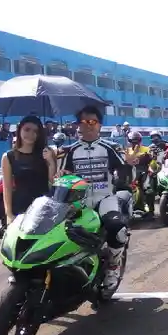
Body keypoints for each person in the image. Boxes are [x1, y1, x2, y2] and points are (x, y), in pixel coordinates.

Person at [58, 106, 137, 290]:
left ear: (99, 125)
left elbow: (127, 176)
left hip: (105, 198)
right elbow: (60, 177)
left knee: (117, 228)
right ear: (77, 125)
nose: (88, 125)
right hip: (78, 202)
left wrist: (129, 165)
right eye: (83, 121)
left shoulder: (110, 148)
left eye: (92, 121)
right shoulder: (69, 151)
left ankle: (113, 266)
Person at [0, 116, 56, 223]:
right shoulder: (8, 156)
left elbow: (53, 182)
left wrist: (51, 162)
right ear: (19, 130)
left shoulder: (47, 153)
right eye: (27, 130)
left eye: (35, 131)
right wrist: (9, 214)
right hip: (20, 210)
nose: (31, 134)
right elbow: (7, 188)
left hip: (44, 208)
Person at [125, 131, 153, 216]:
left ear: (140, 141)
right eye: (132, 141)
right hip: (130, 173)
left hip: (143, 171)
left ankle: (150, 210)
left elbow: (151, 160)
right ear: (129, 141)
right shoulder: (127, 151)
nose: (135, 143)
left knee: (148, 189)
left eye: (137, 141)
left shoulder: (146, 149)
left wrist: (147, 157)